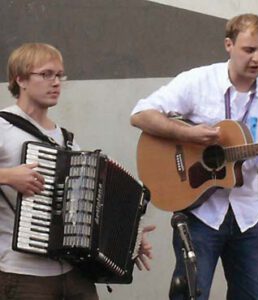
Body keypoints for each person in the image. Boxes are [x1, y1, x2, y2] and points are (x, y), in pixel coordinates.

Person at [130, 13, 258, 300]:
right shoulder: (199, 81)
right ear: (229, 45)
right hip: (199, 214)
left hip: (247, 216)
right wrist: (188, 135)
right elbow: (140, 115)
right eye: (248, 50)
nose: (256, 58)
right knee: (191, 295)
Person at [0, 43, 154, 300]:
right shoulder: (3, 126)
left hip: (74, 275)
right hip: (23, 274)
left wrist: (130, 239)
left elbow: (90, 207)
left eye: (60, 75)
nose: (56, 82)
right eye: (46, 74)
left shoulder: (65, 139)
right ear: (21, 79)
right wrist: (8, 176)